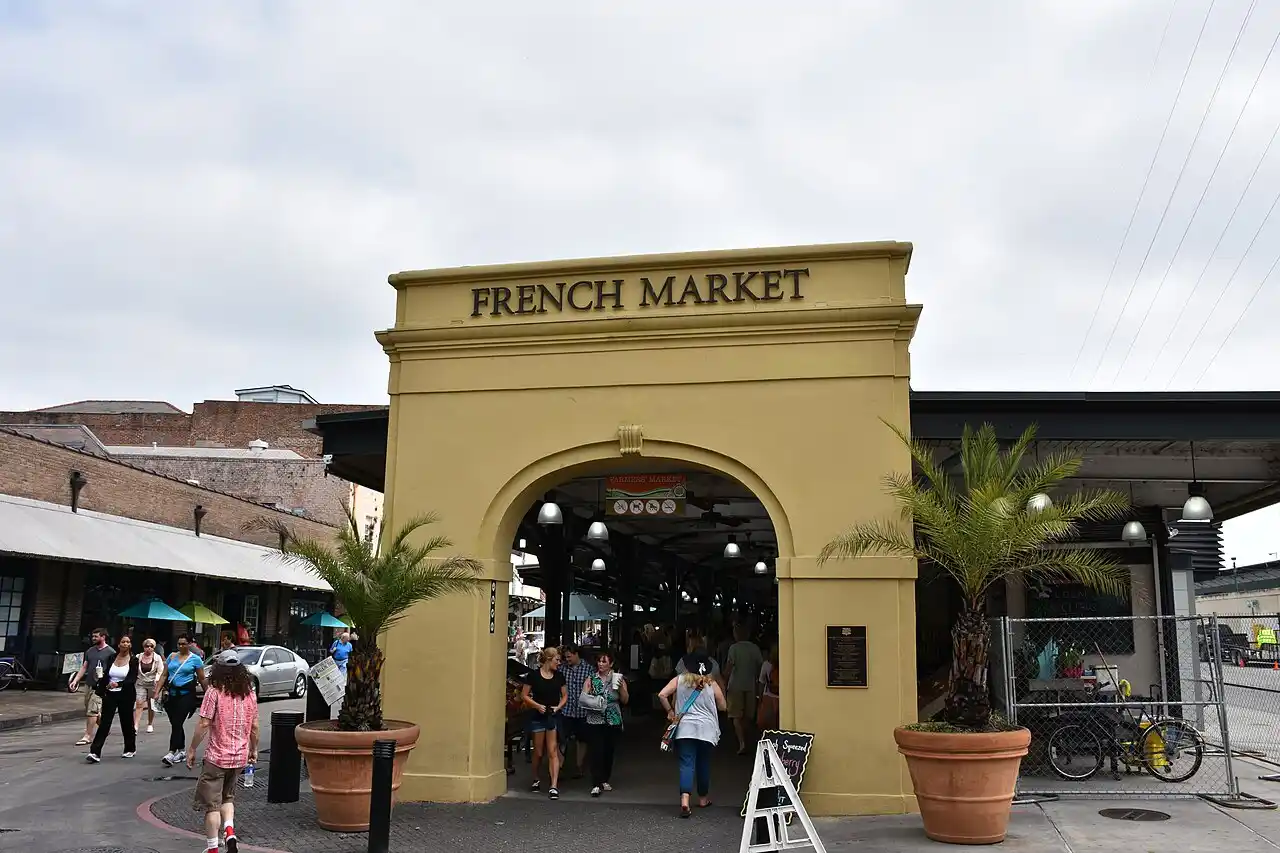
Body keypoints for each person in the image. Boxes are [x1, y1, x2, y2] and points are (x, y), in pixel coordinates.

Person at [188, 649, 260, 853]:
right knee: (228, 798)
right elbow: (254, 726)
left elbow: (203, 723)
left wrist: (192, 748)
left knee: (212, 806)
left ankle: (212, 848)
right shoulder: (249, 693)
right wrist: (253, 750)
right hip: (239, 757)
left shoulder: (214, 691)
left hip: (216, 758)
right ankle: (229, 832)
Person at [658, 649, 727, 818]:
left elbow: (662, 694)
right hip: (707, 730)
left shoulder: (679, 680)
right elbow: (723, 706)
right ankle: (703, 799)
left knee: (686, 764)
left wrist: (670, 711)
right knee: (703, 763)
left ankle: (684, 801)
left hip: (685, 729)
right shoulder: (712, 684)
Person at [154, 633, 208, 766]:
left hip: (187, 695)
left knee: (178, 722)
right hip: (172, 695)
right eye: (179, 644)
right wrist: (157, 692)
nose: (181, 646)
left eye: (184, 643)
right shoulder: (172, 657)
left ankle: (171, 752)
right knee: (175, 724)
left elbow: (201, 678)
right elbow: (164, 675)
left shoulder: (195, 659)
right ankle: (182, 750)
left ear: (189, 644)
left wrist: (209, 694)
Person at [520, 646, 566, 800]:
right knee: (538, 752)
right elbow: (524, 695)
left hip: (551, 715)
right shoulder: (533, 676)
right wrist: (536, 705)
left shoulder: (559, 676)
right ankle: (535, 777)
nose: (559, 663)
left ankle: (554, 786)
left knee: (552, 750)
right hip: (537, 715)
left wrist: (558, 707)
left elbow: (565, 695)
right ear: (548, 659)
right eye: (557, 660)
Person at [86, 633, 139, 762]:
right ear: (119, 644)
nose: (125, 644)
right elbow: (106, 674)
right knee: (105, 722)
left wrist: (119, 684)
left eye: (127, 642)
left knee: (126, 722)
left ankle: (130, 748)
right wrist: (103, 686)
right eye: (123, 642)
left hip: (126, 694)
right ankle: (95, 752)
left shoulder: (133, 660)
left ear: (130, 644)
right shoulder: (112, 657)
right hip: (110, 693)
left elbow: (132, 678)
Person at [582, 649, 628, 797]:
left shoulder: (618, 678)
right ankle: (595, 783)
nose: (600, 664)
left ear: (611, 664)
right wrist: (593, 700)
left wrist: (621, 688)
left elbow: (625, 700)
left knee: (609, 750)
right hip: (595, 718)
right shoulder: (591, 679)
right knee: (596, 750)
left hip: (613, 718)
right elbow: (583, 698)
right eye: (599, 661)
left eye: (604, 661)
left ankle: (604, 779)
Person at [68, 628, 115, 747]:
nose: (93, 638)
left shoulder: (111, 652)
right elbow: (84, 667)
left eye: (96, 636)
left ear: (103, 637)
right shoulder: (90, 651)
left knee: (92, 711)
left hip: (100, 685)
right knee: (89, 708)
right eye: (93, 636)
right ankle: (104, 727)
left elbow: (113, 669)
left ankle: (88, 735)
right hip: (89, 684)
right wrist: (75, 680)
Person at [723, 624, 765, 754]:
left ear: (736, 634)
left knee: (735, 715)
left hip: (735, 685)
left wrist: (723, 682)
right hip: (750, 685)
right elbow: (760, 667)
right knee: (748, 715)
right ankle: (746, 738)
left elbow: (729, 667)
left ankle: (741, 742)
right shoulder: (755, 648)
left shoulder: (734, 648)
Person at [556, 644, 592, 780]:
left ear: (576, 654)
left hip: (582, 712)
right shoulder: (562, 669)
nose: (567, 659)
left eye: (569, 657)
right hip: (566, 710)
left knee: (581, 740)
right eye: (565, 657)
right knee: (561, 739)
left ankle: (579, 766)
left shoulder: (588, 669)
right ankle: (558, 767)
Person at [135, 638, 163, 733]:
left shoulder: (157, 658)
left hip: (152, 683)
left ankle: (150, 723)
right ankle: (136, 725)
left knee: (151, 704)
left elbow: (160, 671)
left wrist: (157, 680)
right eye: (147, 646)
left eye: (151, 646)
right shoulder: (138, 657)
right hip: (141, 682)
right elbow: (134, 669)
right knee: (139, 703)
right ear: (143, 647)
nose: (149, 648)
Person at [757, 642, 780, 731]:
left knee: (766, 726)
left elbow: (761, 682)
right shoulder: (786, 664)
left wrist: (759, 699)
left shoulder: (766, 665)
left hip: (768, 698)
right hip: (781, 699)